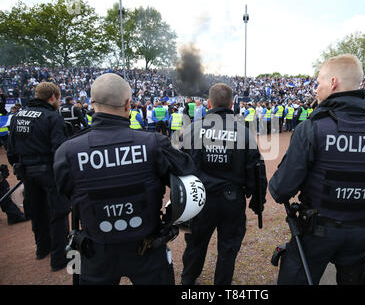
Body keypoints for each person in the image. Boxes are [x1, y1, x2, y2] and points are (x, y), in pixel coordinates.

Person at [269, 54, 365, 285]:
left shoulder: (311, 129)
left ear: (333, 82)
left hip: (316, 232)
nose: (316, 89)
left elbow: (280, 189)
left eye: (318, 82)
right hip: (363, 232)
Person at [53, 73, 198, 285]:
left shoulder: (67, 150)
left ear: (91, 104)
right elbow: (188, 176)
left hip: (96, 249)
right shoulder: (154, 143)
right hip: (147, 245)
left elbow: (65, 192)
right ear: (128, 104)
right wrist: (169, 222)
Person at [180, 83, 267, 285]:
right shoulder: (244, 132)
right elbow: (256, 169)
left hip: (199, 200)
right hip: (232, 201)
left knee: (195, 244)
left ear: (208, 103)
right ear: (232, 104)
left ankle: (188, 280)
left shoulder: (193, 129)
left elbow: (181, 166)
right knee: (228, 248)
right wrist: (257, 201)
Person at [7, 82, 70, 271]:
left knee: (37, 211)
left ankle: (42, 249)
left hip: (26, 171)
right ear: (52, 97)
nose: (58, 102)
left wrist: (19, 168)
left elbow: (11, 148)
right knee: (59, 213)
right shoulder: (52, 117)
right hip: (49, 171)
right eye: (58, 98)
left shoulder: (18, 116)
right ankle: (59, 258)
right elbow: (59, 150)